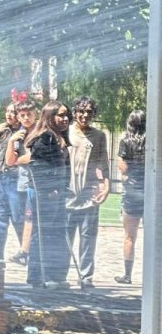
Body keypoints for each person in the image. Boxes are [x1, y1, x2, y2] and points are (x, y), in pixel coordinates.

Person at [18, 100, 72, 289]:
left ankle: (54, 275)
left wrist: (63, 188)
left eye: (66, 115)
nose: (65, 118)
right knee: (41, 234)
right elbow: (38, 166)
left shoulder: (59, 136)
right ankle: (36, 276)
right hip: (45, 193)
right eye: (61, 115)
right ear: (50, 116)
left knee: (54, 233)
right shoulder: (45, 137)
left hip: (57, 192)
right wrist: (50, 190)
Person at [65, 96, 110, 290]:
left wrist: (106, 186)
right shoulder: (65, 132)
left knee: (87, 238)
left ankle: (86, 277)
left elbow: (103, 163)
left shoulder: (99, 136)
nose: (85, 116)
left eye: (89, 112)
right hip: (67, 194)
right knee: (65, 238)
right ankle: (59, 276)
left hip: (89, 194)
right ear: (74, 113)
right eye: (81, 112)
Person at [114, 109, 146, 285]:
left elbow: (123, 167)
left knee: (129, 236)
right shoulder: (153, 139)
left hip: (132, 191)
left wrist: (126, 176)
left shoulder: (125, 140)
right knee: (155, 237)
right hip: (152, 190)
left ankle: (127, 275)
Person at [5, 101, 38, 267]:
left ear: (35, 114)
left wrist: (18, 160)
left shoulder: (41, 132)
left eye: (29, 114)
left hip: (37, 182)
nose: (26, 118)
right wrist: (11, 142)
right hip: (23, 182)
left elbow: (34, 156)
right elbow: (9, 161)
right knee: (23, 218)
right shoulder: (19, 135)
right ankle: (25, 252)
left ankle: (27, 252)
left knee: (31, 218)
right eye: (22, 115)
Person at [0, 102, 20, 259]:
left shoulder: (21, 132)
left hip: (14, 177)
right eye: (7, 111)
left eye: (13, 112)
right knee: (1, 217)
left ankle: (26, 251)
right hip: (0, 176)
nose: (9, 115)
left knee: (17, 216)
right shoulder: (4, 131)